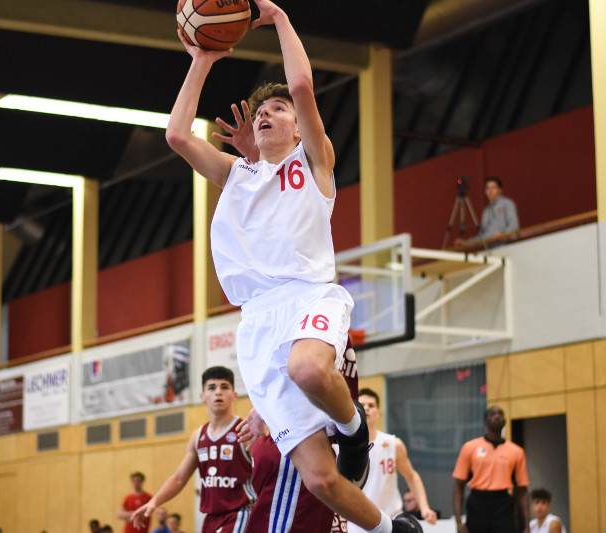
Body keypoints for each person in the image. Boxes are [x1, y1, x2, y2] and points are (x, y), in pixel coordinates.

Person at [163, 1, 420, 532]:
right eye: (262, 112)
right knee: (321, 481)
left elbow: (301, 86)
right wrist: (202, 58)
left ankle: (354, 431)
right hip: (257, 322)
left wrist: (277, 17)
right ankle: (392, 530)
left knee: (308, 368)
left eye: (278, 111)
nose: (268, 113)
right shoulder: (236, 175)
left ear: (299, 130)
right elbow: (177, 136)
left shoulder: (313, 163)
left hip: (309, 297)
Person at [238, 339, 359, 533]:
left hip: (299, 438)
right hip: (294, 442)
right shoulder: (327, 329)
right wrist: (260, 409)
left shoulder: (315, 323)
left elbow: (305, 375)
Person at [133, 367, 254, 533]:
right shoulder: (198, 436)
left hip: (240, 514)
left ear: (234, 395)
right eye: (212, 387)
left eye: (224, 387)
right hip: (210, 519)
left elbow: (267, 473)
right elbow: (178, 479)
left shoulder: (245, 430)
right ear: (202, 397)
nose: (218, 392)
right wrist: (154, 502)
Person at [348, 389, 437, 533]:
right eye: (363, 405)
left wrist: (424, 507)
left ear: (378, 412)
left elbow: (412, 476)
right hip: (356, 524)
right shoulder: (342, 448)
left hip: (391, 520)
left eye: (371, 405)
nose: (367, 409)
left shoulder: (393, 444)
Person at [452, 405, 530, 533]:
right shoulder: (470, 447)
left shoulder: (517, 451)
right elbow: (458, 486)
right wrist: (459, 522)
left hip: (503, 503)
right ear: (485, 421)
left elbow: (522, 490)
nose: (497, 416)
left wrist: (526, 526)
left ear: (505, 421)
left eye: (500, 414)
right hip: (478, 502)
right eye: (492, 414)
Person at [455, 177, 519, 246]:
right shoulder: (486, 211)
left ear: (499, 190)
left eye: (493, 188)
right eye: (488, 188)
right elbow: (483, 235)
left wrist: (503, 235)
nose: (490, 191)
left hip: (506, 246)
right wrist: (468, 242)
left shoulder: (507, 204)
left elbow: (514, 225)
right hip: (490, 249)